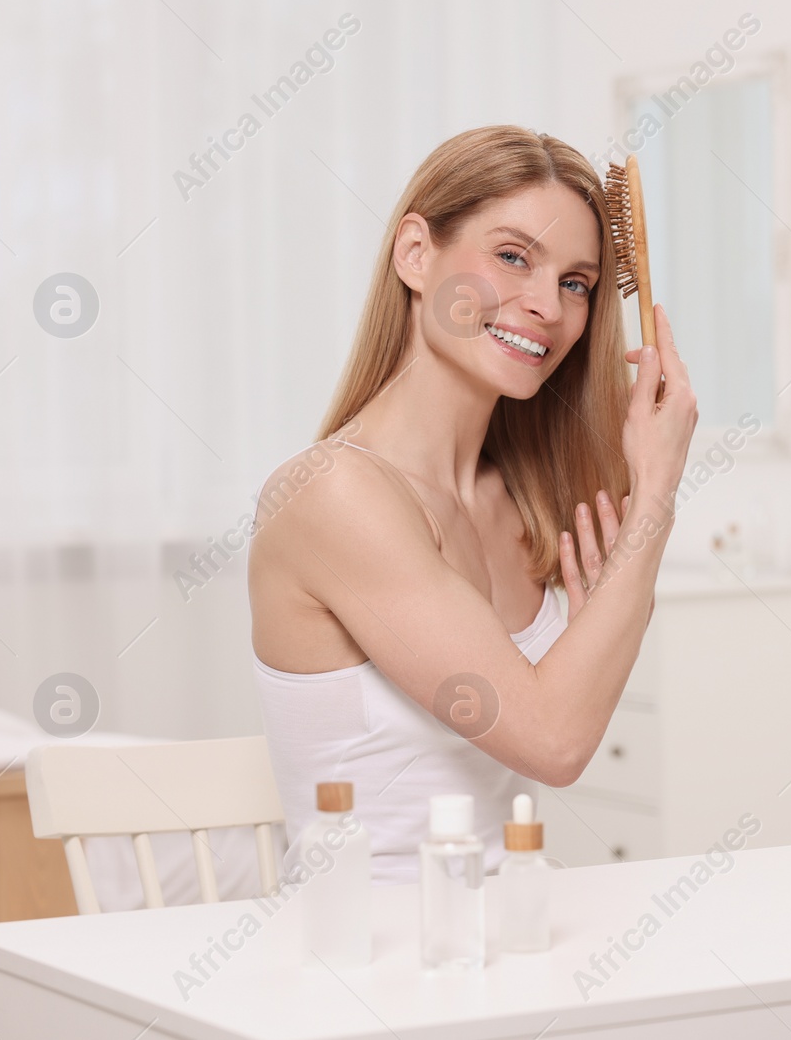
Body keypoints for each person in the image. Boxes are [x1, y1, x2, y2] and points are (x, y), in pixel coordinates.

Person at [248, 126, 697, 882]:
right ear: (416, 254)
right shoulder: (334, 494)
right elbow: (554, 741)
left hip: (509, 930)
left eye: (576, 282)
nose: (546, 306)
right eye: (513, 257)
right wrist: (656, 493)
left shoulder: (529, 507)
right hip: (371, 958)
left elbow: (563, 727)